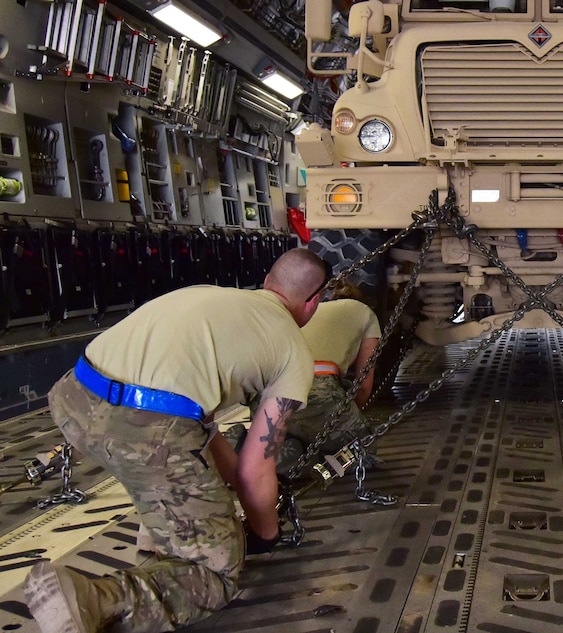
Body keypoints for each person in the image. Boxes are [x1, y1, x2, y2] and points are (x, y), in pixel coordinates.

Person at [24, 248, 330, 633]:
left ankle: (165, 542)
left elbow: (202, 430)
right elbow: (257, 468)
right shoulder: (292, 350)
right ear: (314, 301)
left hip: (73, 399)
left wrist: (223, 489)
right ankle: (90, 600)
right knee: (216, 574)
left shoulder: (210, 296)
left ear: (269, 281)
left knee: (168, 473)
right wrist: (266, 533)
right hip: (145, 431)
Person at [276, 281, 382, 475]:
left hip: (271, 393)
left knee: (294, 434)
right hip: (318, 388)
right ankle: (313, 462)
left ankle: (282, 457)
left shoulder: (303, 312)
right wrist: (349, 418)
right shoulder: (364, 312)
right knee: (363, 453)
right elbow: (364, 384)